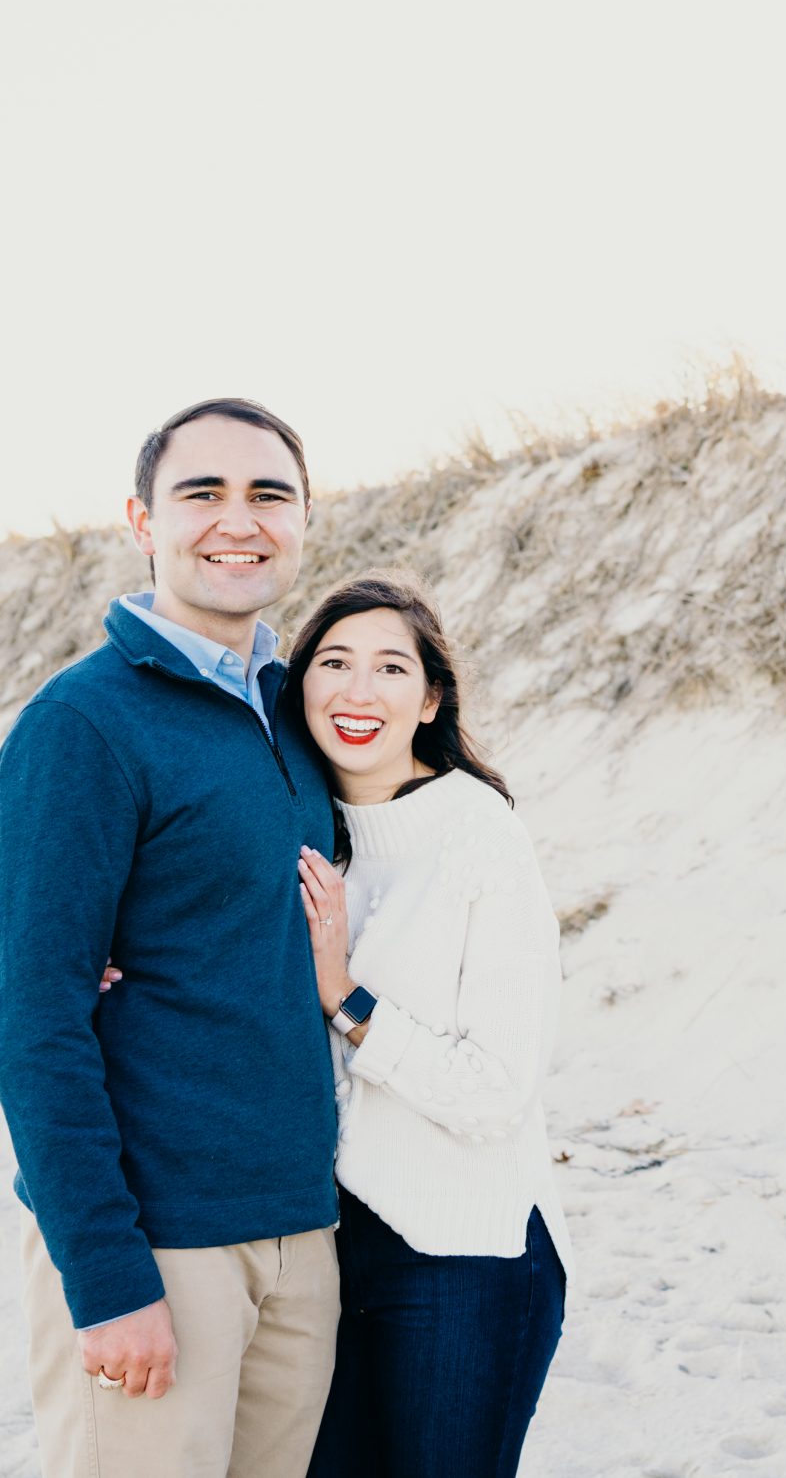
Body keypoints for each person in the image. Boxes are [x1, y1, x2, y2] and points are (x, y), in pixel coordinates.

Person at [0, 398, 343, 1478]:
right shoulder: (84, 724)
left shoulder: (298, 711)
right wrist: (105, 1275)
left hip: (300, 1234)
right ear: (142, 519)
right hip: (159, 1243)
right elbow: (36, 1021)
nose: (239, 520)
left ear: (303, 519)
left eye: (267, 494)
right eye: (203, 493)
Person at [286, 573, 572, 1478]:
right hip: (329, 1256)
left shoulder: (478, 834)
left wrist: (348, 1001)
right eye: (334, 662)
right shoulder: (304, 833)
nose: (357, 692)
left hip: (465, 1256)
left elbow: (495, 1091)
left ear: (430, 696)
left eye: (389, 667)